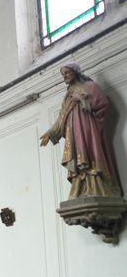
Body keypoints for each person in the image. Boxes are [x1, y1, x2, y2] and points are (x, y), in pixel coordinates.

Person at [40, 63, 122, 200]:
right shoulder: (68, 94)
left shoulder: (91, 87)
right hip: (73, 132)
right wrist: (52, 132)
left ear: (75, 72)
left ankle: (99, 187)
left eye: (67, 72)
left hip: (87, 128)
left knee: (91, 155)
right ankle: (81, 188)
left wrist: (85, 101)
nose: (64, 76)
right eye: (63, 74)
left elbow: (103, 104)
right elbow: (62, 115)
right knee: (77, 158)